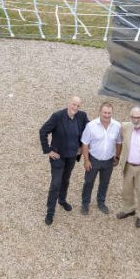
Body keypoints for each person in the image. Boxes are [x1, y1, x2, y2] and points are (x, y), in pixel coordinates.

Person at [39, 96, 90, 226]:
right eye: (74, 104)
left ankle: (62, 200)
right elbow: (43, 131)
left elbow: (88, 132)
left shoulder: (82, 116)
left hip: (72, 156)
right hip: (58, 156)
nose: (75, 108)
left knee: (66, 179)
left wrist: (81, 148)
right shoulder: (57, 116)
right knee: (56, 183)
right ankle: (50, 212)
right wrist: (48, 150)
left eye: (78, 106)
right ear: (68, 104)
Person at [80, 101, 121, 215]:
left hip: (108, 161)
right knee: (89, 182)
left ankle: (101, 202)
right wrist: (86, 160)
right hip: (93, 159)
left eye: (109, 113)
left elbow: (119, 142)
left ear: (112, 113)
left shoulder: (117, 126)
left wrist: (117, 157)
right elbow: (85, 143)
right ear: (100, 112)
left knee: (104, 183)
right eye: (104, 113)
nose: (107, 115)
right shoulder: (91, 126)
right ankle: (85, 203)